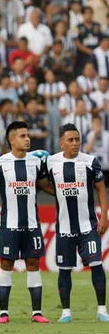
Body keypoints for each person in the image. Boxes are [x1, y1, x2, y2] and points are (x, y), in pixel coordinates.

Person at [0, 121, 52, 323]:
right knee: (6, 264)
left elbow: (44, 185)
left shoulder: (36, 162)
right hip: (9, 224)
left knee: (33, 263)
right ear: (12, 140)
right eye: (22, 136)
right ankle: (3, 313)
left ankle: (36, 313)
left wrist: (63, 193)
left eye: (28, 135)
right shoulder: (0, 162)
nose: (27, 139)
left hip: (31, 224)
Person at [47, 123, 109, 323]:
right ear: (61, 143)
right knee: (64, 270)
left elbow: (101, 189)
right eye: (70, 140)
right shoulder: (50, 162)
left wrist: (104, 217)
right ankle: (66, 312)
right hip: (64, 228)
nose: (75, 144)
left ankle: (102, 309)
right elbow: (41, 182)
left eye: (77, 140)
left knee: (96, 264)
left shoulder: (90, 161)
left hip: (88, 226)